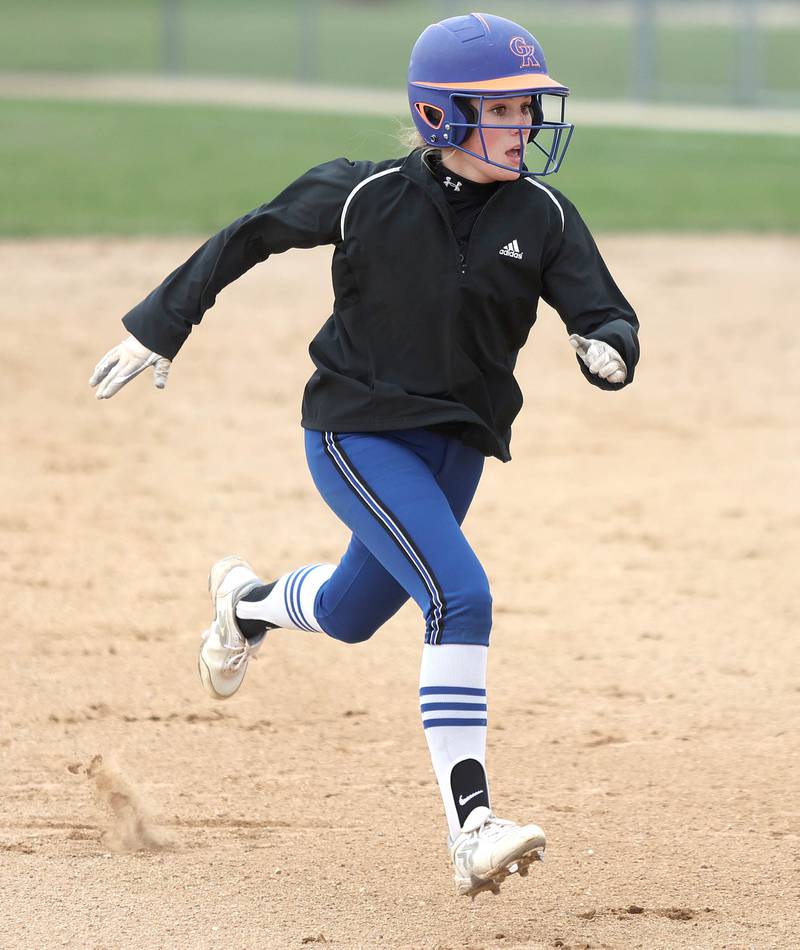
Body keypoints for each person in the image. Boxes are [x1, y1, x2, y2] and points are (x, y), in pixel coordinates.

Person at [90, 12, 639, 897]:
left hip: (458, 445)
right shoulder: (362, 195)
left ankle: (247, 609)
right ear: (439, 118)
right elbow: (251, 233)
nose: (526, 125)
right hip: (358, 431)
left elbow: (603, 308)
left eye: (529, 107)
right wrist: (162, 325)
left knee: (351, 613)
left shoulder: (542, 213)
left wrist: (608, 349)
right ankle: (472, 828)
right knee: (460, 596)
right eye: (502, 109)